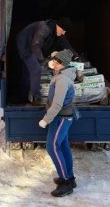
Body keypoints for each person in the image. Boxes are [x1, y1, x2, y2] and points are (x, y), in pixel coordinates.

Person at [38, 49, 77, 197]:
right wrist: (54, 56)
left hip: (60, 118)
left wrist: (45, 120)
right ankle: (70, 178)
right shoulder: (62, 74)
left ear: (62, 65)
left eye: (56, 62)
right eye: (54, 60)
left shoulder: (62, 80)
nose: (53, 63)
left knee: (52, 147)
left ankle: (65, 182)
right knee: (63, 146)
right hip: (62, 118)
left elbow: (57, 104)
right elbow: (56, 60)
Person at [16, 17, 79, 104]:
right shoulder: (44, 28)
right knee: (35, 68)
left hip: (34, 45)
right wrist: (43, 60)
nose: (64, 33)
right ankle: (35, 97)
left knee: (28, 71)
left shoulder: (59, 33)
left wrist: (74, 55)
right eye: (63, 30)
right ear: (58, 26)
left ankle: (24, 97)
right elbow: (36, 46)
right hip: (25, 43)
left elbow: (65, 44)